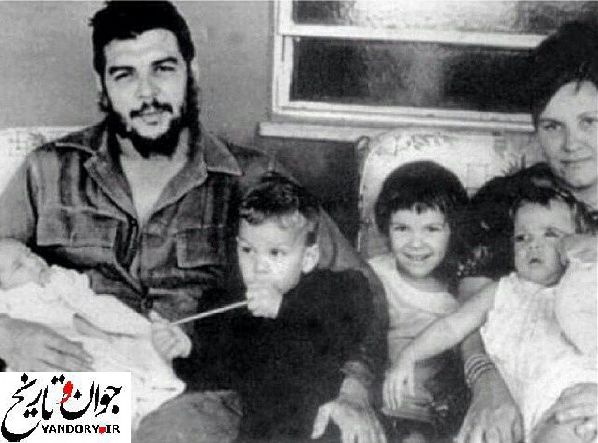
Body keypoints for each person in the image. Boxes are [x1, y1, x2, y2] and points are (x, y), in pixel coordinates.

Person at [0, 2, 388, 442]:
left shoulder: (252, 177)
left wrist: (353, 387)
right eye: (124, 75)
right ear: (102, 86)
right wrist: (7, 333)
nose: (147, 93)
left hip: (192, 390)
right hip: (79, 379)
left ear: (192, 71)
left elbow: (359, 289)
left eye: (163, 69)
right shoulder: (49, 170)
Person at [457, 21, 598, 443]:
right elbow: (468, 319)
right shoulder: (505, 203)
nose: (571, 144)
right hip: (520, 389)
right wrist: (487, 384)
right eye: (553, 126)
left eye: (589, 121)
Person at [386, 185, 597, 443]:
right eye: (522, 237)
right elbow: (452, 327)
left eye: (550, 234)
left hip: (569, 398)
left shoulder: (581, 290)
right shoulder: (502, 290)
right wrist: (410, 354)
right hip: (514, 407)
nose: (533, 245)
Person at [189, 175, 373, 442]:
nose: (258, 266)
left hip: (321, 424)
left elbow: (344, 329)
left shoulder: (335, 288)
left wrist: (284, 308)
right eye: (247, 250)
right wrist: (184, 352)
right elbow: (217, 374)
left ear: (308, 258)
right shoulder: (226, 304)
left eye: (275, 253)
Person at [0, 239, 187, 429]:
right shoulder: (14, 299)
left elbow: (93, 306)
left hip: (108, 337)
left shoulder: (59, 278)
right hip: (60, 355)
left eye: (29, 253)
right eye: (18, 266)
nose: (33, 262)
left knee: (138, 367)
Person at [368, 161, 469, 442]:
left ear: (453, 230)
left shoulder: (460, 294)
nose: (416, 243)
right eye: (402, 228)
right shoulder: (374, 275)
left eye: (431, 229)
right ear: (386, 229)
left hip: (437, 417)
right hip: (378, 409)